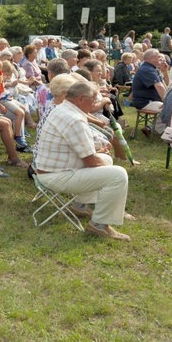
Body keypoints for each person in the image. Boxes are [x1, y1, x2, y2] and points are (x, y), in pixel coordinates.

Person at [34, 81, 132, 241]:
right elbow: (90, 160)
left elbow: (83, 151)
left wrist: (99, 159)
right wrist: (101, 164)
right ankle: (99, 225)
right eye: (93, 100)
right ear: (80, 99)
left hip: (47, 170)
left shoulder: (61, 109)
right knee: (118, 175)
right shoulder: (74, 118)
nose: (95, 104)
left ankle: (80, 205)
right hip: (55, 176)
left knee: (106, 160)